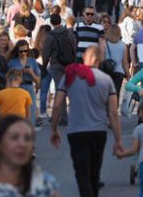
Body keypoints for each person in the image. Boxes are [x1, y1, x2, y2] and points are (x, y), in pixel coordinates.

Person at [50, 45, 124, 197]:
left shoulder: (70, 75)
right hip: (99, 132)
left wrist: (54, 129)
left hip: (76, 131)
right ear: (100, 60)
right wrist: (118, 139)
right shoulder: (107, 80)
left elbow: (57, 105)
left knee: (82, 173)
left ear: (84, 57)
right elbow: (113, 113)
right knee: (94, 173)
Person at [7, 39, 41, 125]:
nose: (23, 53)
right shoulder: (12, 62)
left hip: (29, 88)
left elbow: (38, 81)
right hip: (17, 88)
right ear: (17, 51)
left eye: (25, 51)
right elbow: (8, 78)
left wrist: (31, 72)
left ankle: (30, 135)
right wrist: (20, 71)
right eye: (21, 51)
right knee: (18, 115)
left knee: (31, 114)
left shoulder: (32, 61)